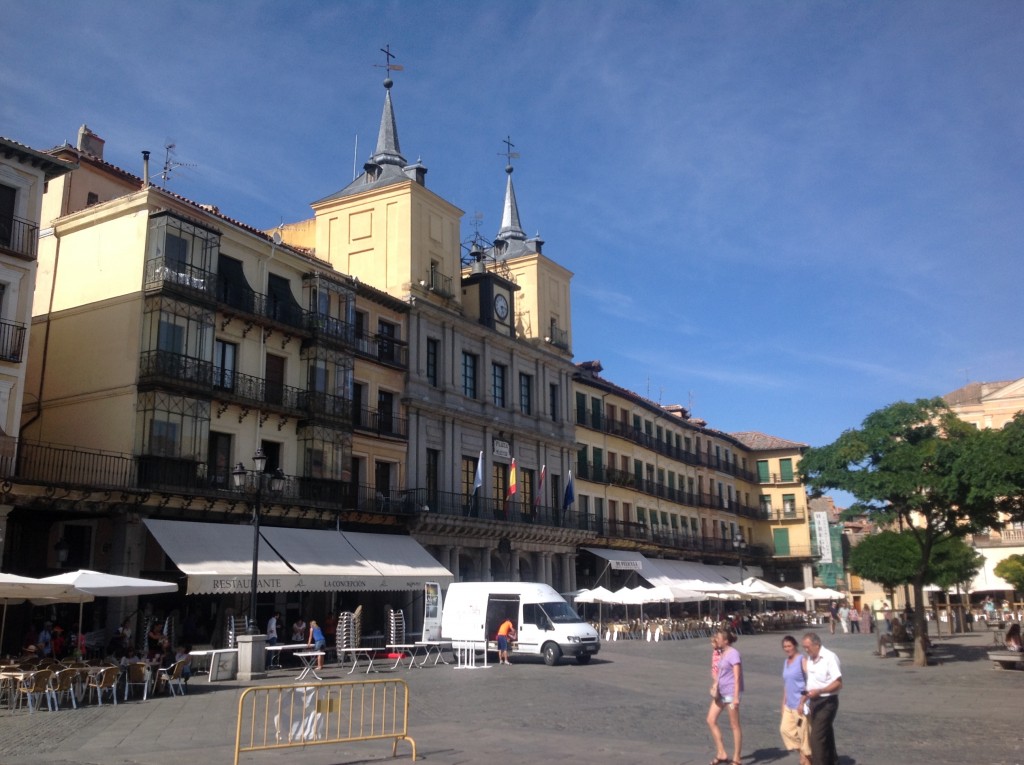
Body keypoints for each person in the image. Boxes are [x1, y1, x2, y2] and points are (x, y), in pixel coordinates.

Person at [801, 631, 842, 765]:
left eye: (808, 647)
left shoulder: (830, 657)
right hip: (814, 701)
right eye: (804, 647)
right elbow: (810, 681)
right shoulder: (809, 659)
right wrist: (803, 701)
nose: (806, 650)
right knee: (826, 733)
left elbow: (838, 683)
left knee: (816, 738)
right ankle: (832, 760)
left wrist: (821, 691)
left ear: (816, 644)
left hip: (827, 701)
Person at [706, 626, 742, 765]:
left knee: (734, 725)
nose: (716, 640)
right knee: (710, 719)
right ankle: (721, 752)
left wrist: (736, 696)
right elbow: (718, 671)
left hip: (731, 693)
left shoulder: (733, 654)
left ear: (726, 641)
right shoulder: (722, 653)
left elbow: (737, 676)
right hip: (721, 692)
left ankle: (737, 758)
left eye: (719, 639)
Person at [779, 635, 811, 765]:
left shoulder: (802, 660)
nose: (787, 649)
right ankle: (803, 753)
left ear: (795, 645)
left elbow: (810, 681)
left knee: (803, 733)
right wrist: (783, 703)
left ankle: (807, 759)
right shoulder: (786, 662)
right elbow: (787, 684)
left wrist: (803, 701)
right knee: (785, 730)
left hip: (800, 704)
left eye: (789, 646)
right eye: (785, 647)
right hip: (789, 704)